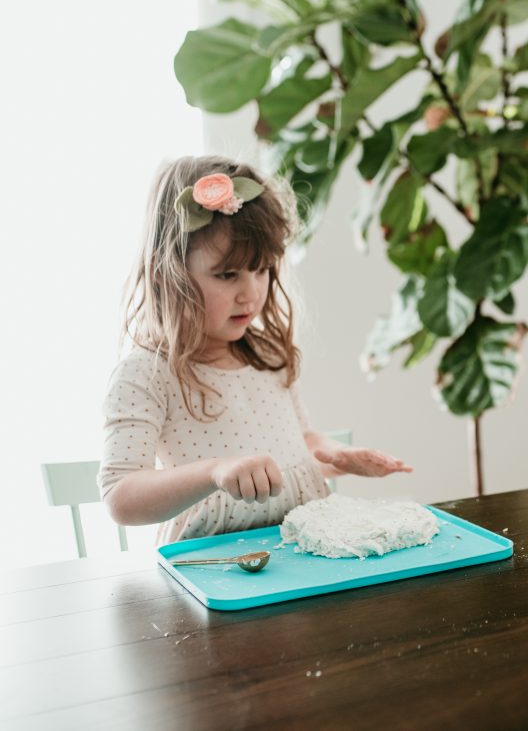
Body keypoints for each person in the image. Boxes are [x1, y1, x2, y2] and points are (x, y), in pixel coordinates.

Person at [99, 156, 410, 544]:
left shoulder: (267, 356)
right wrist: (215, 471)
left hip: (300, 548)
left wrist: (334, 453)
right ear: (170, 274)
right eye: (227, 275)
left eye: (262, 270)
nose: (251, 293)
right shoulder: (147, 373)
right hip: (212, 564)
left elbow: (299, 443)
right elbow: (120, 497)